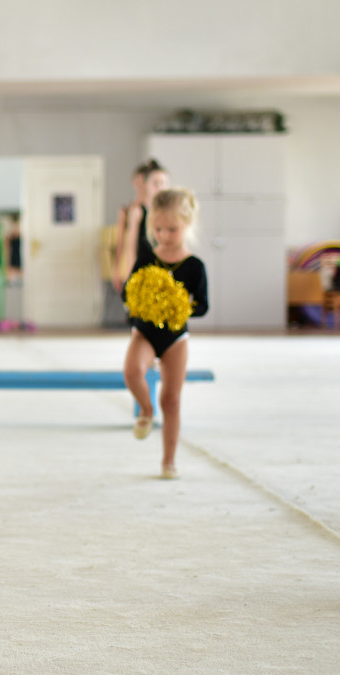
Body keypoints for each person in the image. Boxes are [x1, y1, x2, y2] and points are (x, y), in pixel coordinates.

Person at [123, 188, 208, 480]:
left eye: (172, 229)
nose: (164, 235)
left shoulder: (195, 266)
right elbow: (128, 292)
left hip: (175, 338)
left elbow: (203, 306)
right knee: (132, 371)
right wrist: (141, 305)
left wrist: (178, 306)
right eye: (158, 229)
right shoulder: (147, 258)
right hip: (145, 332)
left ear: (187, 225)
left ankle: (168, 461)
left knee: (171, 399)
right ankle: (145, 410)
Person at [116, 160, 169, 286]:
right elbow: (128, 246)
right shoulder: (135, 211)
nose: (160, 187)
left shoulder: (167, 212)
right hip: (142, 271)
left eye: (163, 183)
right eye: (156, 183)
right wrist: (127, 274)